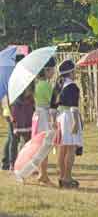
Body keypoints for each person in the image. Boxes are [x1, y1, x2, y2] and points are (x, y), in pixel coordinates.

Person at [52, 60, 82, 189]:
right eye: (74, 71)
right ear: (70, 72)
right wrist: (76, 121)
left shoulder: (58, 85)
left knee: (62, 148)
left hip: (60, 117)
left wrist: (53, 121)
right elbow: (73, 107)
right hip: (69, 118)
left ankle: (62, 176)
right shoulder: (72, 86)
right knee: (71, 149)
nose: (75, 73)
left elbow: (52, 107)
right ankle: (68, 178)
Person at [32, 57, 57, 186]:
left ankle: (41, 172)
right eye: (53, 69)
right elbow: (52, 103)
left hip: (37, 116)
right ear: (47, 70)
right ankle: (43, 174)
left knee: (40, 145)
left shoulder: (36, 84)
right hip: (45, 117)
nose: (54, 72)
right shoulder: (47, 85)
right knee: (45, 146)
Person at [1, 54, 27, 171]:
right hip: (12, 111)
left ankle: (6, 161)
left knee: (11, 136)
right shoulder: (13, 76)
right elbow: (7, 96)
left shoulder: (14, 75)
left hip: (10, 110)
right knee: (14, 137)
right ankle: (10, 163)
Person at [10, 83, 35, 169]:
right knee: (21, 145)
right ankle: (17, 164)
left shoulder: (30, 99)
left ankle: (23, 163)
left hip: (26, 126)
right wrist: (14, 124)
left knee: (25, 145)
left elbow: (32, 110)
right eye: (28, 89)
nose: (30, 90)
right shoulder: (17, 102)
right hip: (22, 127)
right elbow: (14, 114)